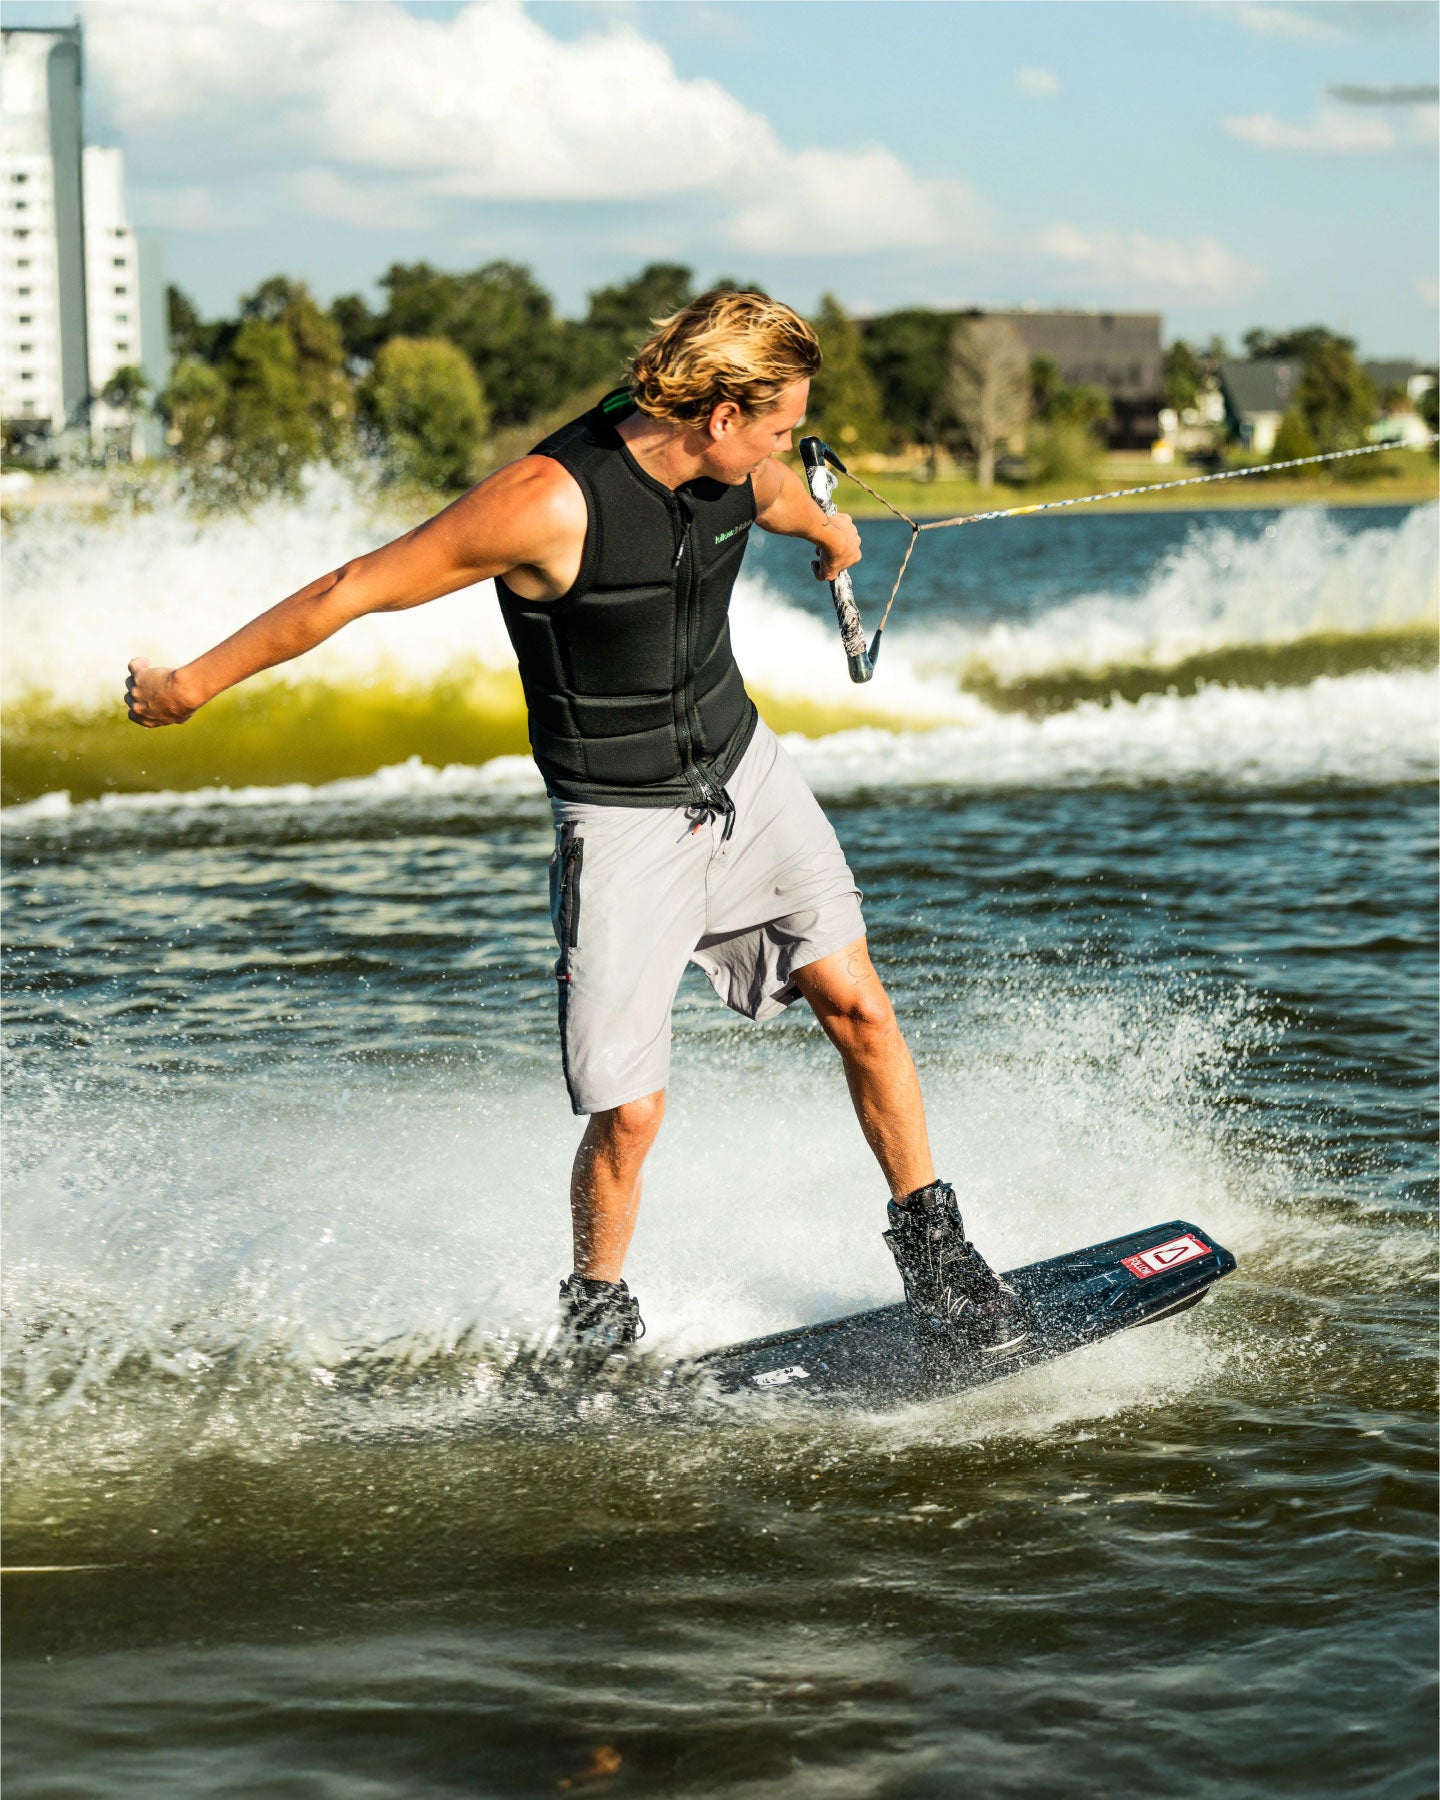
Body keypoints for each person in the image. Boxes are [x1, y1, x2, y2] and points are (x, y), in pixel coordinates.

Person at [125, 289, 1029, 1358]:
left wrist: (833, 532)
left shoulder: (741, 468)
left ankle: (940, 1261)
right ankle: (596, 1320)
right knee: (630, 1112)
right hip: (623, 821)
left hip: (747, 776)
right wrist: (191, 683)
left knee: (861, 1007)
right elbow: (355, 586)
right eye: (781, 422)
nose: (791, 442)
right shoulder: (547, 501)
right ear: (720, 415)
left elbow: (781, 493)